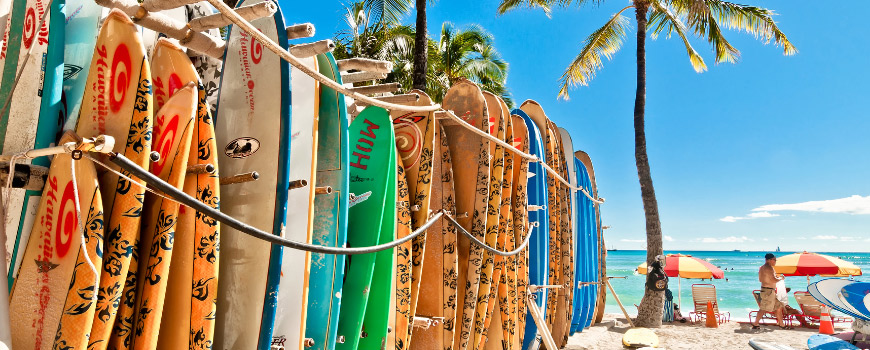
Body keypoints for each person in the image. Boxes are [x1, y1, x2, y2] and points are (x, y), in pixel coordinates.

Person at [751, 253, 791, 329]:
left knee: (779, 306)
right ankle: (755, 323)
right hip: (768, 291)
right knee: (764, 308)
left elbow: (760, 279)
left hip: (766, 290)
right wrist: (781, 278)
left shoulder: (762, 268)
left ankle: (781, 324)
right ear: (769, 260)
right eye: (774, 260)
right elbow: (774, 280)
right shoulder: (769, 268)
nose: (775, 261)